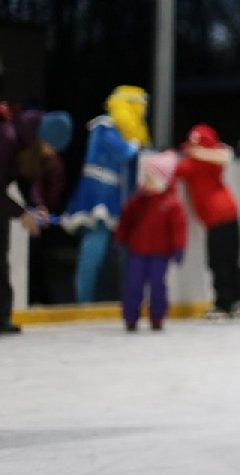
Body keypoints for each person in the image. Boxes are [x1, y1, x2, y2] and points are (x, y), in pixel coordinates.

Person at [61, 85, 151, 302]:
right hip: (98, 199)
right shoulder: (104, 126)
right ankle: (84, 304)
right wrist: (136, 144)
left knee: (124, 255)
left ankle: (129, 299)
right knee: (93, 254)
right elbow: (124, 153)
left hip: (121, 200)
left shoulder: (125, 133)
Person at [0, 107, 72, 332]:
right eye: (50, 146)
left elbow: (29, 180)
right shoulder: (6, 138)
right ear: (40, 139)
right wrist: (21, 213)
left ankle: (2, 317)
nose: (51, 153)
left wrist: (36, 206)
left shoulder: (28, 146)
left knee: (1, 260)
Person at [175, 123, 240, 319]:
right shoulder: (196, 163)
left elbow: (226, 154)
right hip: (226, 215)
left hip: (220, 217)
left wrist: (198, 152)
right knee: (228, 260)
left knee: (220, 261)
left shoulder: (197, 163)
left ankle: (226, 302)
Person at [113, 150, 187, 331]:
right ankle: (130, 318)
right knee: (133, 285)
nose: (146, 182)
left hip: (160, 254)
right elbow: (125, 223)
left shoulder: (171, 204)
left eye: (151, 178)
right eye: (144, 177)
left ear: (162, 180)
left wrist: (178, 248)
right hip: (137, 252)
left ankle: (157, 316)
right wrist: (119, 240)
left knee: (157, 286)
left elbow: (179, 228)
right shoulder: (136, 201)